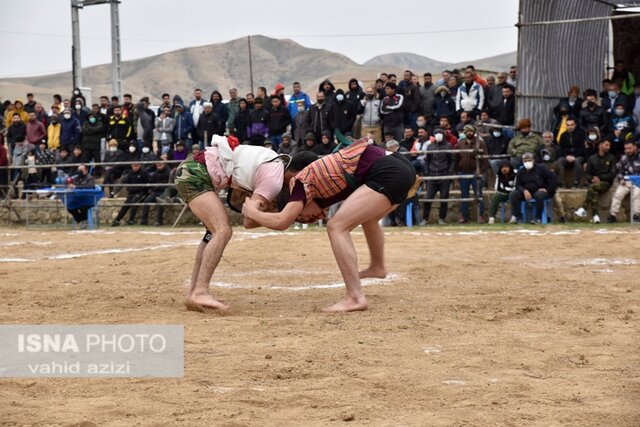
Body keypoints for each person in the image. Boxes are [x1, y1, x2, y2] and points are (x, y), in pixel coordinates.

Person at [242, 139, 416, 313]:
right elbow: (292, 217)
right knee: (367, 219)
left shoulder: (300, 183)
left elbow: (282, 221)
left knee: (337, 227)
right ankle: (377, 267)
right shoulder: (321, 186)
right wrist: (261, 217)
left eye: (298, 214)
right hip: (400, 165)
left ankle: (355, 297)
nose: (302, 218)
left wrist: (252, 212)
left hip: (388, 171)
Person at [173, 135, 307, 311]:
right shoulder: (273, 180)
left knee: (212, 233)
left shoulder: (272, 159)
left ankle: (194, 293)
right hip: (196, 173)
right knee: (223, 231)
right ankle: (200, 292)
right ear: (298, 174)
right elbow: (249, 220)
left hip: (194, 169)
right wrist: (286, 216)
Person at [574, 139, 616, 224]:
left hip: (606, 183)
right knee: (593, 190)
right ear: (600, 145)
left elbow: (612, 174)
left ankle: (584, 208)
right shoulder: (592, 158)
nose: (608, 147)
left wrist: (600, 178)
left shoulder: (611, 158)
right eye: (606, 145)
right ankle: (595, 216)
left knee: (592, 187)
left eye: (609, 145)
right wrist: (592, 179)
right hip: (594, 183)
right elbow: (587, 173)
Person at [508, 152, 557, 224]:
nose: (527, 162)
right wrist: (524, 190)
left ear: (533, 160)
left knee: (539, 195)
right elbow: (517, 185)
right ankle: (518, 217)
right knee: (513, 194)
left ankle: (538, 218)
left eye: (529, 160)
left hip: (541, 191)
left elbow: (553, 177)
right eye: (525, 161)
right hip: (526, 192)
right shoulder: (521, 172)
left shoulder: (541, 168)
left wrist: (547, 189)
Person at [422, 128, 455, 225]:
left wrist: (449, 172)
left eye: (440, 133)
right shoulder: (430, 146)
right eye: (436, 134)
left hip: (444, 176)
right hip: (432, 176)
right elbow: (427, 160)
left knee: (444, 198)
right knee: (428, 198)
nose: (438, 135)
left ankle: (441, 218)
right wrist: (427, 172)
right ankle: (425, 218)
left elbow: (452, 160)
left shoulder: (448, 146)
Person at [456, 125, 489, 223]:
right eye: (467, 131)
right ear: (465, 133)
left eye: (471, 131)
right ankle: (464, 216)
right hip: (464, 172)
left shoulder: (480, 143)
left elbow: (485, 159)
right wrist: (457, 172)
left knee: (478, 194)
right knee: (464, 195)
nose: (469, 133)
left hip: (476, 173)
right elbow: (457, 158)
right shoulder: (460, 143)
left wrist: (481, 171)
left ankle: (480, 216)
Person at [607, 139, 640, 223]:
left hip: (638, 182)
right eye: (626, 149)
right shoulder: (623, 158)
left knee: (637, 195)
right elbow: (619, 171)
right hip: (626, 181)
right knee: (618, 194)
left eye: (630, 148)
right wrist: (621, 179)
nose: (627, 150)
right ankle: (612, 215)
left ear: (635, 147)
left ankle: (636, 215)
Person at [556, 118, 586, 187]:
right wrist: (566, 156)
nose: (570, 127)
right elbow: (561, 149)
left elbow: (582, 148)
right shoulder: (563, 135)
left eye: (571, 125)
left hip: (578, 155)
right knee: (560, 161)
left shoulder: (581, 133)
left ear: (575, 125)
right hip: (567, 156)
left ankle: (576, 182)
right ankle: (561, 182)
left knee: (577, 161)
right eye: (568, 125)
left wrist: (574, 156)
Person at [141, 161, 171, 226]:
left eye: (160, 165)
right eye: (157, 166)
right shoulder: (155, 173)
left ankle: (158, 221)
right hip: (156, 192)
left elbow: (168, 183)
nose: (158, 167)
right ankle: (144, 221)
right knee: (146, 201)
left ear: (164, 164)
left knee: (160, 202)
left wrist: (159, 185)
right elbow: (151, 182)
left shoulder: (168, 172)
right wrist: (151, 189)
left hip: (164, 192)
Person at [81, 112, 105, 177]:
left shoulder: (99, 123)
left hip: (96, 145)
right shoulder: (85, 123)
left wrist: (89, 129)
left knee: (97, 160)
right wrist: (92, 130)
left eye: (93, 117)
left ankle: (98, 173)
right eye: (90, 117)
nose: (91, 118)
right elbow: (83, 131)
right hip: (86, 145)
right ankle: (86, 173)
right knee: (86, 161)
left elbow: (97, 129)